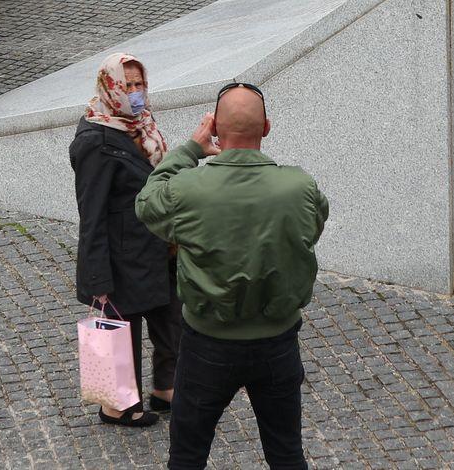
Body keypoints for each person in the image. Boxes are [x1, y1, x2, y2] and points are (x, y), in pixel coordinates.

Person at [136, 82, 328, 470]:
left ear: (216, 132)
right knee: (287, 454)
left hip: (208, 343)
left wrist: (192, 148)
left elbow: (147, 203)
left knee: (188, 456)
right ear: (267, 128)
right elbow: (314, 225)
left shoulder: (187, 189)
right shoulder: (300, 186)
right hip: (277, 342)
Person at [70, 53, 180, 429]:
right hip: (125, 253)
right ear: (109, 85)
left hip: (160, 244)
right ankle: (117, 405)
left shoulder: (140, 123)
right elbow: (92, 214)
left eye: (139, 83)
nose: (135, 92)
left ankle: (166, 388)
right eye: (127, 84)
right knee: (124, 328)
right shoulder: (95, 138)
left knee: (171, 318)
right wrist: (97, 277)